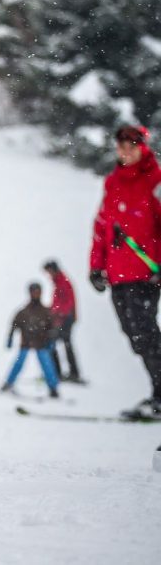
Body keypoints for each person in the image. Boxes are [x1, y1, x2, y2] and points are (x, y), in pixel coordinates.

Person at [89, 125, 161, 419]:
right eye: (121, 146)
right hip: (118, 274)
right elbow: (102, 226)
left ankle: (160, 394)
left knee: (146, 332)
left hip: (147, 274)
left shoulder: (155, 180)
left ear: (143, 147)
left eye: (132, 146)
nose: (126, 151)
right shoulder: (113, 182)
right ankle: (157, 393)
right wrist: (96, 266)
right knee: (134, 334)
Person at [1, 283, 60, 398]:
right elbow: (14, 325)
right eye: (34, 292)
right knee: (19, 362)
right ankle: (9, 383)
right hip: (26, 342)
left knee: (47, 364)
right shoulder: (24, 312)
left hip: (41, 343)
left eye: (37, 292)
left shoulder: (45, 311)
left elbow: (52, 326)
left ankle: (53, 388)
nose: (36, 294)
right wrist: (10, 338)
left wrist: (52, 338)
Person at [43, 260, 81, 383]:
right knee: (64, 344)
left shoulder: (62, 282)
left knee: (53, 343)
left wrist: (57, 316)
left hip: (65, 319)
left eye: (49, 271)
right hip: (64, 318)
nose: (48, 275)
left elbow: (67, 303)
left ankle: (57, 373)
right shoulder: (60, 281)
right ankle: (68, 373)